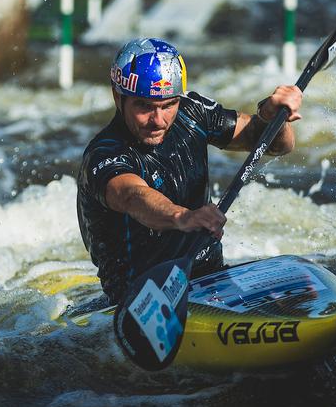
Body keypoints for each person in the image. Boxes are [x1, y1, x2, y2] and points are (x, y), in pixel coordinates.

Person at [77, 38, 302, 305]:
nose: (158, 120)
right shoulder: (104, 154)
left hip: (210, 281)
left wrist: (271, 116)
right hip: (141, 300)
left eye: (168, 105)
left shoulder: (192, 112)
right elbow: (132, 196)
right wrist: (181, 217)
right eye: (144, 106)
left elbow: (278, 145)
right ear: (118, 97)